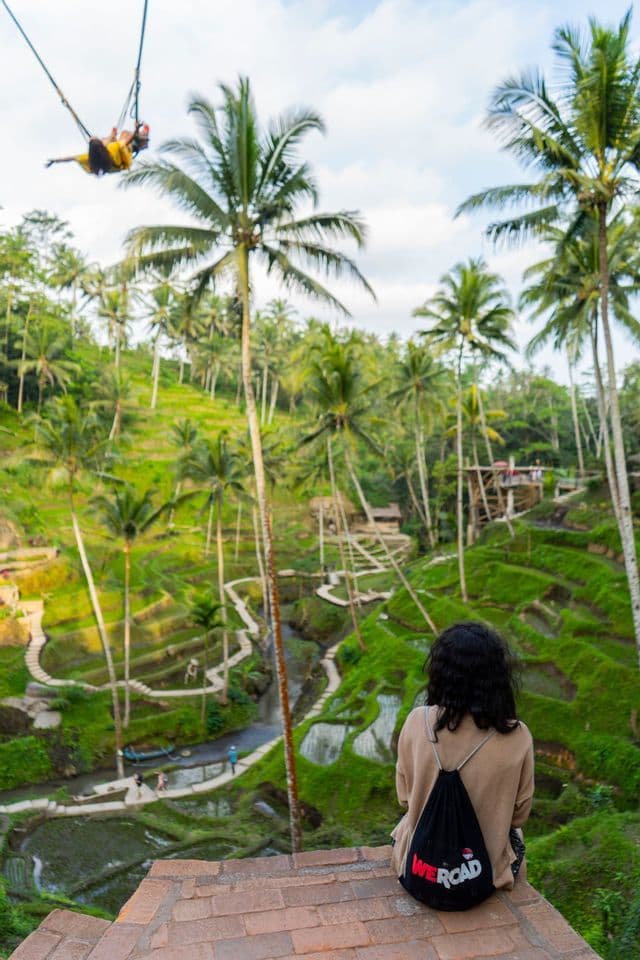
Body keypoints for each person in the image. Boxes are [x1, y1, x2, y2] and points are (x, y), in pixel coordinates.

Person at [391, 621, 534, 895]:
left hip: (421, 870)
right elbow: (519, 816)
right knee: (516, 840)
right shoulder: (518, 736)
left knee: (406, 824)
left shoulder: (416, 722)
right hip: (481, 876)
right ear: (497, 678)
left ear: (440, 673)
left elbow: (405, 799)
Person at [45, 122, 150, 176]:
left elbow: (71, 158)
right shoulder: (112, 149)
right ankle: (143, 137)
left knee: (115, 139)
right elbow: (126, 141)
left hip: (111, 165)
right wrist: (136, 128)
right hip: (122, 160)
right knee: (125, 135)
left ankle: (141, 137)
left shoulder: (90, 157)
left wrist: (54, 161)